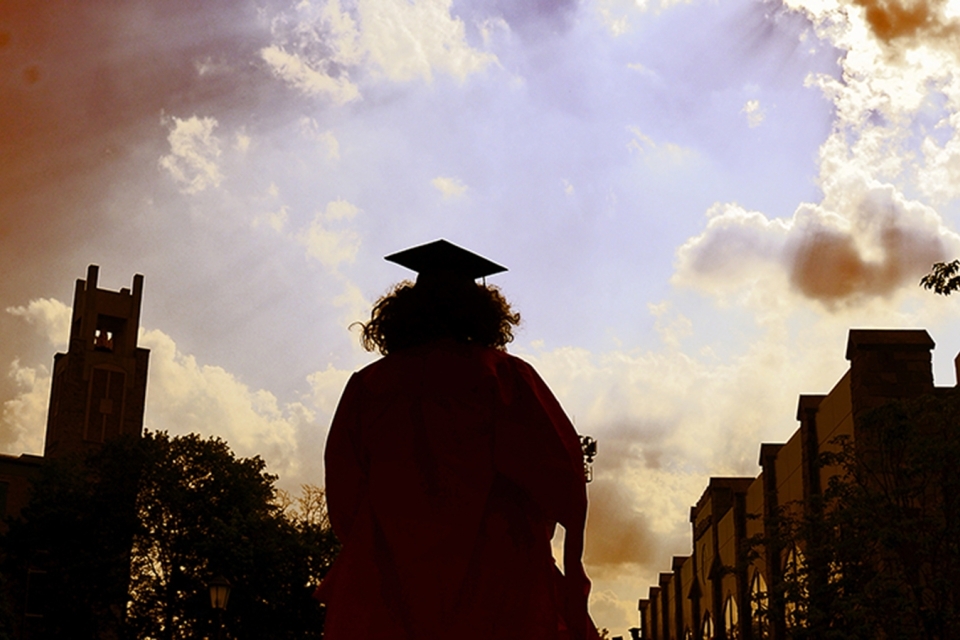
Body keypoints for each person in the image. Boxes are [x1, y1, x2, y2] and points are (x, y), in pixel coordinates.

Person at [315, 239, 598, 640]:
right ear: (480, 312)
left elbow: (344, 495)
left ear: (404, 311)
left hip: (389, 579)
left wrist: (390, 536)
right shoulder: (504, 377)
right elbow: (562, 478)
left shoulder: (369, 386)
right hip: (495, 576)